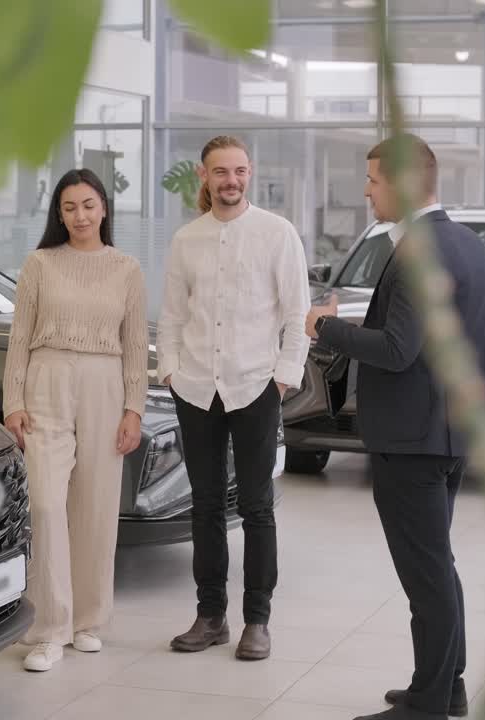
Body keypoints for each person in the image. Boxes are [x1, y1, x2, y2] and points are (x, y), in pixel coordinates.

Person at [306, 134, 485, 720]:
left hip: (414, 439)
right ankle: (444, 685)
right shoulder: (465, 242)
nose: (367, 192)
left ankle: (429, 703)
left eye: (374, 180)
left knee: (427, 573)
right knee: (437, 563)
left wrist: (326, 327)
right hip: (450, 431)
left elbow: (396, 349)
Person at [157, 135, 311, 661]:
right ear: (204, 175)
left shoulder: (277, 233)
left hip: (255, 387)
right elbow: (172, 315)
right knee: (204, 506)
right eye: (221, 171)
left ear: (250, 173)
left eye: (240, 171)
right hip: (196, 388)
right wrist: (170, 370)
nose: (231, 180)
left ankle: (257, 621)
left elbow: (297, 314)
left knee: (256, 506)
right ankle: (210, 616)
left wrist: (283, 378)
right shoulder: (187, 239)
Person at [3, 168, 147, 672]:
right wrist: (13, 401)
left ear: (104, 208)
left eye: (88, 205)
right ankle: (48, 628)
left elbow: (135, 344)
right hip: (47, 381)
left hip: (105, 384)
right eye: (69, 208)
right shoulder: (39, 264)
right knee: (45, 503)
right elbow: (19, 337)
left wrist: (134, 409)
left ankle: (87, 620)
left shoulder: (127, 269)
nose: (80, 216)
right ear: (59, 215)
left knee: (96, 506)